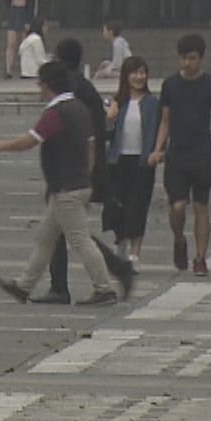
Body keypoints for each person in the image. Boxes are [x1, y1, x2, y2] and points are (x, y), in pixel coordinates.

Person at [0, 61, 122, 307]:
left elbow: (31, 140)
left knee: (80, 239)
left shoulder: (56, 112)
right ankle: (24, 286)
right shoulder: (80, 108)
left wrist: (1, 146)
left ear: (47, 85)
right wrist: (87, 177)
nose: (39, 89)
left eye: (40, 84)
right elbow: (91, 146)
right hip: (77, 184)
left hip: (65, 187)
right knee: (46, 238)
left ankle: (104, 288)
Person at [45, 39, 135, 303]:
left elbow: (80, 135)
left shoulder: (72, 91)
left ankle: (66, 286)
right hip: (80, 169)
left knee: (68, 229)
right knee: (65, 228)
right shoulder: (82, 87)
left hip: (74, 171)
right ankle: (62, 284)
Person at [148, 33, 211, 277]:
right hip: (176, 153)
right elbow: (165, 121)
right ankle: (179, 238)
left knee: (201, 206)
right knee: (177, 206)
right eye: (183, 58)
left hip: (201, 153)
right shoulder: (170, 85)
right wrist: (158, 148)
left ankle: (201, 257)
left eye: (191, 58)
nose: (187, 63)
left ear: (201, 58)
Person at [104, 56, 161, 272]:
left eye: (142, 72)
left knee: (138, 206)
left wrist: (158, 152)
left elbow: (161, 131)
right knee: (117, 205)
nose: (139, 77)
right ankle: (120, 242)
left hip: (142, 161)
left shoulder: (153, 104)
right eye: (134, 73)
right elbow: (106, 134)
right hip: (118, 161)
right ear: (125, 76)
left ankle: (135, 254)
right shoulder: (116, 101)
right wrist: (109, 119)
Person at [2, 0, 37, 79]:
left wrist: (29, 20)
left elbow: (31, 3)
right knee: (11, 42)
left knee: (24, 43)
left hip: (23, 12)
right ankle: (8, 70)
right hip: (13, 12)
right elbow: (5, 1)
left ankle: (25, 70)